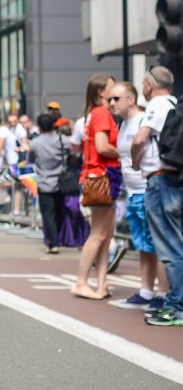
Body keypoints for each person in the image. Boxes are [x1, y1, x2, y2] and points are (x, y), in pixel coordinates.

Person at [109, 81, 169, 308]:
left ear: (130, 99)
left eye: (116, 98)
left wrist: (136, 163)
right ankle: (146, 290)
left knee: (158, 244)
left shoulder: (144, 119)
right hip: (133, 191)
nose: (112, 103)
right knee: (143, 244)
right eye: (110, 99)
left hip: (149, 189)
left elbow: (145, 147)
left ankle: (164, 293)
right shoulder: (124, 124)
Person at [132, 66, 183, 326]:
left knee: (170, 245)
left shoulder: (157, 104)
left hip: (160, 178)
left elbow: (141, 138)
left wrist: (134, 161)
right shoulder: (176, 102)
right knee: (178, 241)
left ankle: (177, 306)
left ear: (150, 85)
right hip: (178, 176)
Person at [71, 73, 122, 300]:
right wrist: (126, 152)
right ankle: (82, 282)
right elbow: (102, 147)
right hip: (101, 176)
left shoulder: (93, 114)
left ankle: (102, 283)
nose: (116, 90)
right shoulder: (102, 113)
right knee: (100, 233)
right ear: (102, 92)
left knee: (104, 234)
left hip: (96, 176)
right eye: (112, 87)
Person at [29, 114, 68, 253]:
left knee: (47, 214)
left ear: (40, 127)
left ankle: (53, 242)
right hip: (62, 183)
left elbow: (31, 158)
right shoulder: (63, 140)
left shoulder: (35, 143)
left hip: (44, 183)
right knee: (59, 212)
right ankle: (57, 238)